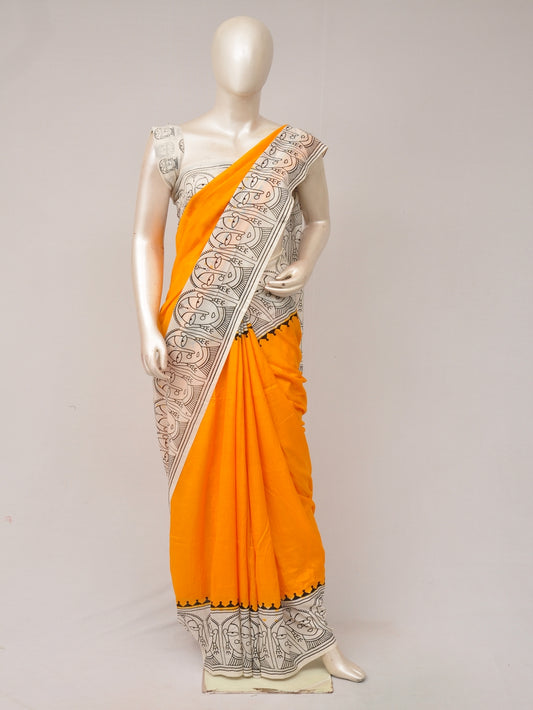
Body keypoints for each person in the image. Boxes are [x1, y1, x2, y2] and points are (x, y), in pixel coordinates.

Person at [132, 15, 365, 684]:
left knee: (285, 484)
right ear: (214, 59)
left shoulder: (294, 148)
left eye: (255, 51)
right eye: (233, 50)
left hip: (268, 335)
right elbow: (146, 238)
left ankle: (311, 636)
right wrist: (147, 326)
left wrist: (306, 263)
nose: (244, 62)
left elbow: (320, 219)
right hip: (197, 339)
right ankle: (228, 633)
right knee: (209, 486)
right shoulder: (171, 145)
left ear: (269, 63)